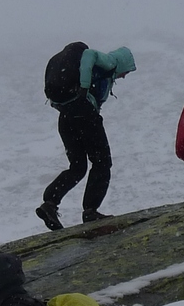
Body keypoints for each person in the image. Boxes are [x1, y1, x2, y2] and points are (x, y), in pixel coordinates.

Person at [37, 46, 136, 230]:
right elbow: (90, 54)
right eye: (127, 71)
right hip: (85, 116)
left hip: (66, 117)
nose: (124, 76)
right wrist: (83, 89)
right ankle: (90, 211)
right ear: (122, 63)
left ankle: (49, 203)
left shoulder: (92, 74)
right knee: (102, 162)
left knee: (77, 167)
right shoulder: (108, 63)